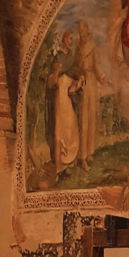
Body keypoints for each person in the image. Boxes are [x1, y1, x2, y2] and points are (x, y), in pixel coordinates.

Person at [45, 30, 82, 175]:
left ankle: (68, 161)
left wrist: (77, 82)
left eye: (72, 39)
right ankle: (59, 165)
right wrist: (56, 72)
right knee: (60, 128)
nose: (70, 41)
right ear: (62, 39)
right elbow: (50, 81)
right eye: (68, 38)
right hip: (59, 95)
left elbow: (77, 74)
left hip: (68, 96)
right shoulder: (56, 56)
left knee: (71, 126)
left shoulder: (70, 57)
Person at [74, 21, 107, 171]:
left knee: (92, 118)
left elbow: (97, 64)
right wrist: (79, 77)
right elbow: (75, 66)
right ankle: (82, 158)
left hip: (92, 82)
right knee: (83, 121)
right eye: (79, 30)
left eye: (82, 30)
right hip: (83, 82)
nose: (81, 33)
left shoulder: (93, 45)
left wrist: (102, 77)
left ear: (87, 30)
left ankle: (89, 153)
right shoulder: (77, 47)